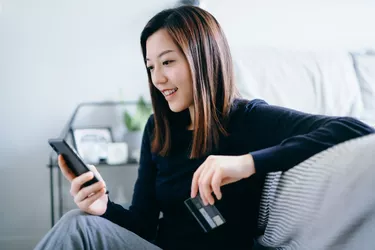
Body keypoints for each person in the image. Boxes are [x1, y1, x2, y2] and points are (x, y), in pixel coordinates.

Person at [35, 5, 375, 250]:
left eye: (168, 62)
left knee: (75, 228)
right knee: (80, 222)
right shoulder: (158, 128)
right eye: (151, 66)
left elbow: (353, 127)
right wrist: (103, 207)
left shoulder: (248, 118)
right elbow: (143, 222)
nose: (158, 79)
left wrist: (246, 163)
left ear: (203, 57)